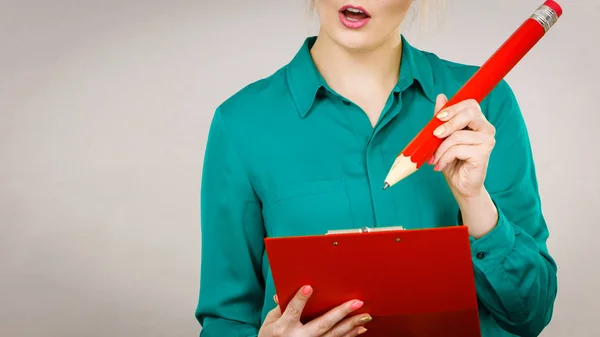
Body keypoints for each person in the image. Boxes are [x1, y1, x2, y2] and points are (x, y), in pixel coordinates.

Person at [195, 0, 558, 336]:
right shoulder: (241, 123)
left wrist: (474, 199)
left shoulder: (485, 104)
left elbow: (531, 314)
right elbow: (227, 319)